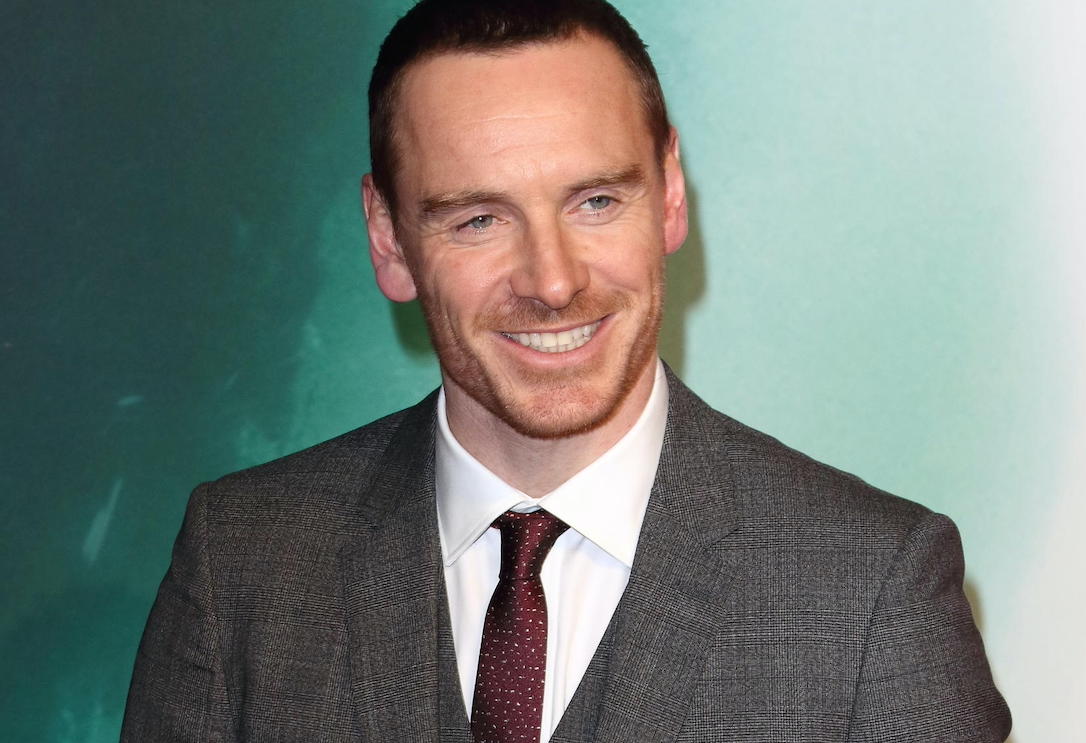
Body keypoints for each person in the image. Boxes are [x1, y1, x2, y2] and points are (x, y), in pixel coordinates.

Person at [121, 1, 1012, 741]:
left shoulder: (872, 588)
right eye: (478, 219)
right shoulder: (240, 563)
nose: (552, 282)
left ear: (670, 193)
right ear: (388, 240)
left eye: (595, 201)